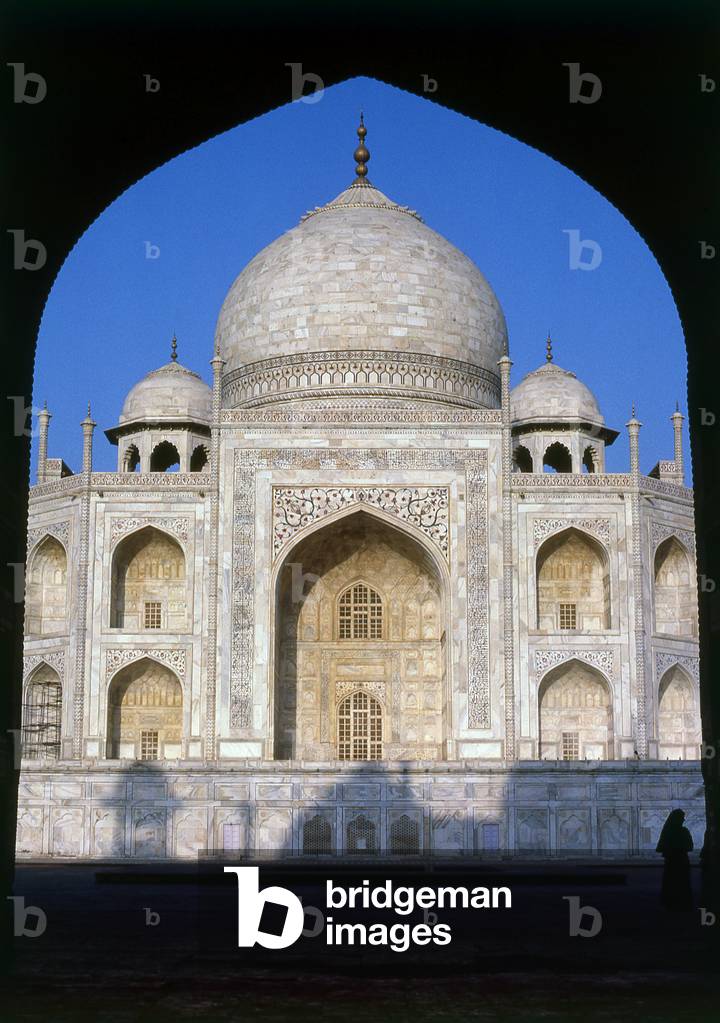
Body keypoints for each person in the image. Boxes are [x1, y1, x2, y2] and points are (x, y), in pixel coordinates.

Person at [656, 808, 694, 910]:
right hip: (681, 860)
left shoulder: (668, 832)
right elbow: (690, 847)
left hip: (672, 861)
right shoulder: (683, 831)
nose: (683, 820)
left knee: (672, 882)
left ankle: (671, 902)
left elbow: (662, 847)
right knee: (681, 883)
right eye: (682, 818)